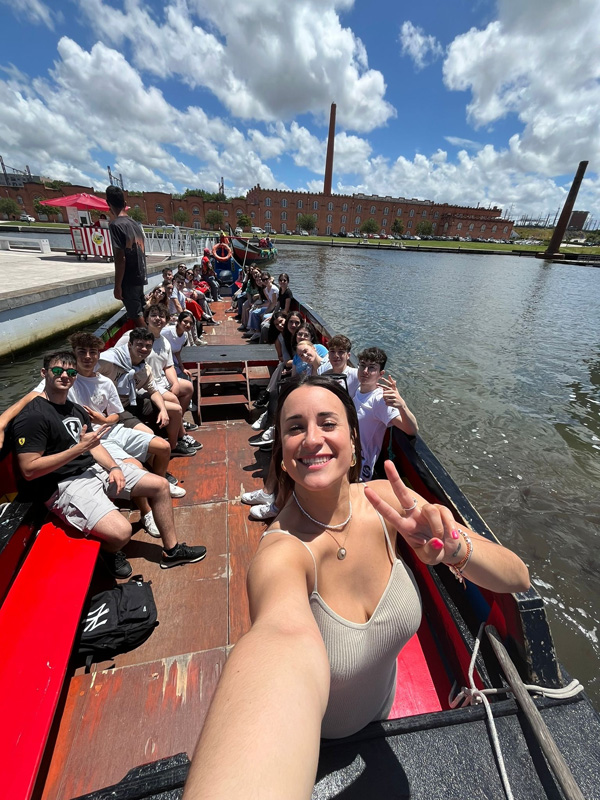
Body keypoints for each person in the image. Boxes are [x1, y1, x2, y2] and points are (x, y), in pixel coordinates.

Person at [184, 376, 530, 798]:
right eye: (295, 427)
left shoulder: (388, 502)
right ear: (284, 456)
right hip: (316, 747)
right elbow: (278, 638)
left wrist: (455, 550)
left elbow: (517, 577)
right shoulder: (281, 554)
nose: (312, 438)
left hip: (387, 711)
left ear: (352, 442)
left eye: (327, 423)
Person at [12, 350, 207, 578]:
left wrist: (113, 467)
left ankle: (171, 552)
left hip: (93, 469)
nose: (65, 376)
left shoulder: (74, 409)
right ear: (44, 373)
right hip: (64, 484)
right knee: (122, 533)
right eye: (57, 370)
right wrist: (78, 450)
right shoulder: (33, 416)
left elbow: (94, 445)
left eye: (71, 372)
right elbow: (29, 469)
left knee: (160, 485)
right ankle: (108, 552)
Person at [97, 327, 197, 457]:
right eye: (139, 345)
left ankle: (173, 446)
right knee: (148, 434)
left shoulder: (144, 369)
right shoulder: (109, 361)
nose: (144, 349)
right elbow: (86, 374)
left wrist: (163, 410)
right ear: (130, 344)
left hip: (131, 402)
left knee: (176, 409)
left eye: (148, 346)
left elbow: (154, 391)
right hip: (115, 409)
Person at [353, 347, 418, 481]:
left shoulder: (380, 400)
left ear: (380, 374)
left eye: (372, 368)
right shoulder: (358, 389)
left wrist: (402, 406)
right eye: (363, 365)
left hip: (360, 467)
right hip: (348, 454)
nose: (365, 371)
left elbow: (412, 430)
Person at [106, 185, 147, 328]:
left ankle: (151, 339)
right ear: (125, 203)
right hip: (140, 275)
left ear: (108, 204)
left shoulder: (116, 225)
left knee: (136, 315)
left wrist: (117, 286)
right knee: (142, 309)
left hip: (128, 279)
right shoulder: (135, 224)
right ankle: (152, 335)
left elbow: (120, 258)